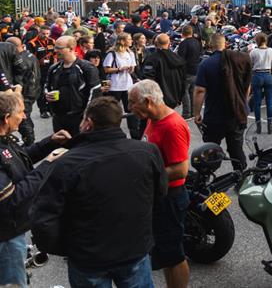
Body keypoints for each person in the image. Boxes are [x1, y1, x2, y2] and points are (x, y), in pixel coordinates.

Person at [31, 96, 167, 288]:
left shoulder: (67, 163)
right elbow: (161, 193)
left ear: (88, 123)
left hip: (90, 258)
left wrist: (68, 248)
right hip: (133, 249)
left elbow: (43, 219)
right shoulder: (147, 152)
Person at [0, 91, 70, 287]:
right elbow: (12, 198)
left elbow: (18, 161)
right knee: (13, 283)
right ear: (6, 118)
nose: (24, 117)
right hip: (6, 236)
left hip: (13, 229)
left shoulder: (5, 139)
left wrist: (49, 143)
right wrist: (48, 165)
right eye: (21, 112)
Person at [128, 80, 191, 288]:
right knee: (166, 253)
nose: (129, 108)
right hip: (158, 196)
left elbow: (181, 170)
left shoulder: (172, 126)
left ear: (147, 101)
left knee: (174, 254)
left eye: (132, 103)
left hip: (170, 199)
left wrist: (145, 177)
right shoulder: (153, 119)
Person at [194, 33, 251, 171]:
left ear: (210, 45)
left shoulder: (206, 63)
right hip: (236, 113)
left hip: (214, 115)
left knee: (210, 149)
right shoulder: (238, 60)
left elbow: (199, 91)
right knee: (236, 149)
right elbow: (247, 86)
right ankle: (241, 178)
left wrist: (196, 114)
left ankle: (206, 177)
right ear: (225, 44)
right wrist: (242, 102)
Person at [44, 35, 102, 136]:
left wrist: (86, 117)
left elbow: (95, 93)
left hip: (79, 117)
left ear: (71, 49)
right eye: (55, 47)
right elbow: (46, 86)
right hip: (59, 117)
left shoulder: (87, 67)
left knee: (80, 148)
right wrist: (47, 95)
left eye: (59, 48)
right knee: (61, 147)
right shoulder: (54, 68)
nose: (55, 50)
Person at [103, 33, 143, 139]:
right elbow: (106, 69)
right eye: (129, 39)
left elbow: (133, 68)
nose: (131, 41)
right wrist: (119, 69)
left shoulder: (130, 53)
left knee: (131, 110)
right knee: (113, 110)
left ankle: (135, 135)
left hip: (128, 85)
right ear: (122, 41)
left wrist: (130, 69)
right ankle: (112, 134)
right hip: (115, 86)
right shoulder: (112, 54)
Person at [7, 37, 39, 146]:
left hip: (25, 93)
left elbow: (18, 80)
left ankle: (29, 142)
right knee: (26, 116)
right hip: (32, 91)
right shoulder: (29, 55)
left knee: (22, 118)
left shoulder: (19, 60)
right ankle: (29, 139)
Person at [143, 33, 187, 110]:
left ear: (155, 43)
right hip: (174, 98)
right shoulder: (178, 58)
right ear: (169, 44)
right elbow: (183, 80)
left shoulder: (152, 59)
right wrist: (179, 98)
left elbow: (148, 80)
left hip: (158, 99)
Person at [249, 32, 272, 133]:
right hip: (268, 75)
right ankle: (270, 126)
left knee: (257, 102)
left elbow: (250, 64)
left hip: (257, 75)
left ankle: (258, 126)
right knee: (269, 102)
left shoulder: (253, 52)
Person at [27, 25, 55, 118]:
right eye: (43, 34)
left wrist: (55, 60)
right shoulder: (32, 43)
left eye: (47, 33)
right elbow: (29, 58)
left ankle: (51, 109)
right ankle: (43, 110)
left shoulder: (52, 41)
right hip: (39, 70)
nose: (46, 35)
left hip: (51, 69)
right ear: (39, 33)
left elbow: (55, 53)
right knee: (41, 90)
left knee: (51, 89)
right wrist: (38, 62)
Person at [176, 24, 202, 119]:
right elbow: (200, 54)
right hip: (195, 69)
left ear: (183, 33)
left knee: (185, 91)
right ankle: (193, 112)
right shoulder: (197, 42)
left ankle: (187, 112)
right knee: (192, 91)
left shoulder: (184, 43)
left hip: (186, 70)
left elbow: (180, 58)